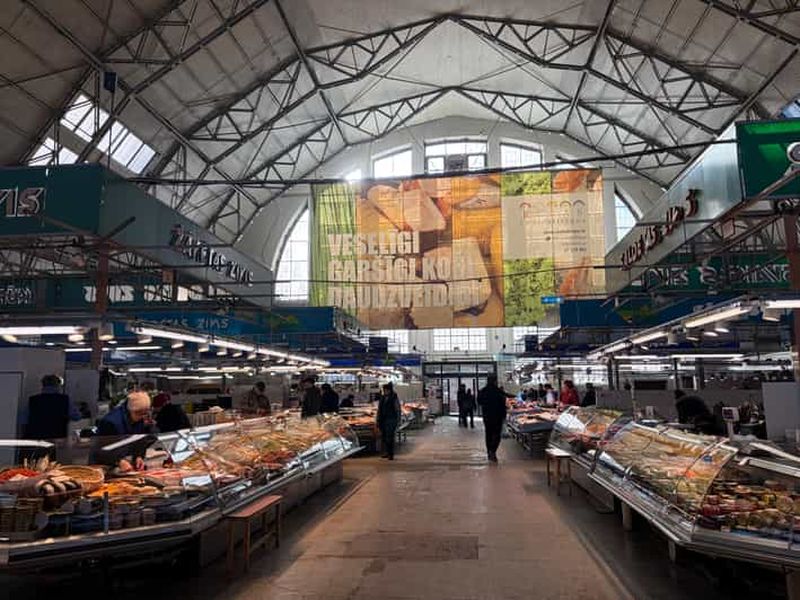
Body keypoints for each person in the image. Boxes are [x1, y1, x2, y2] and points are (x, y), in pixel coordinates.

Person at [93, 391, 157, 469]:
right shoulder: (110, 422)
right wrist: (119, 461)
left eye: (145, 413)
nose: (143, 417)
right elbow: (102, 448)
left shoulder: (140, 420)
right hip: (102, 465)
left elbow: (140, 440)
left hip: (122, 463)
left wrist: (138, 456)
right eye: (140, 414)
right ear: (132, 410)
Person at [26, 375, 80, 439]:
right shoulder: (64, 400)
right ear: (57, 385)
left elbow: (24, 419)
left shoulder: (33, 400)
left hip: (36, 437)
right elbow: (76, 417)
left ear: (43, 385)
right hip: (57, 436)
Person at [478, 374, 507, 463]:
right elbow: (503, 403)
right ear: (495, 381)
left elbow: (479, 402)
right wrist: (504, 415)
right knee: (497, 434)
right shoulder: (498, 391)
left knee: (488, 434)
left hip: (487, 416)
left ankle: (489, 451)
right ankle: (493, 451)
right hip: (497, 416)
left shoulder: (483, 391)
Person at [376, 382, 401, 460]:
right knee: (384, 437)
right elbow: (379, 409)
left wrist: (398, 419)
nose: (385, 391)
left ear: (389, 390)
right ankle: (386, 452)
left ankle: (391, 454)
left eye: (386, 390)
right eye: (384, 390)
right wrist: (378, 418)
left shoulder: (394, 397)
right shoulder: (382, 397)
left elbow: (397, 409)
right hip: (383, 420)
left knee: (389, 437)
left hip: (391, 419)